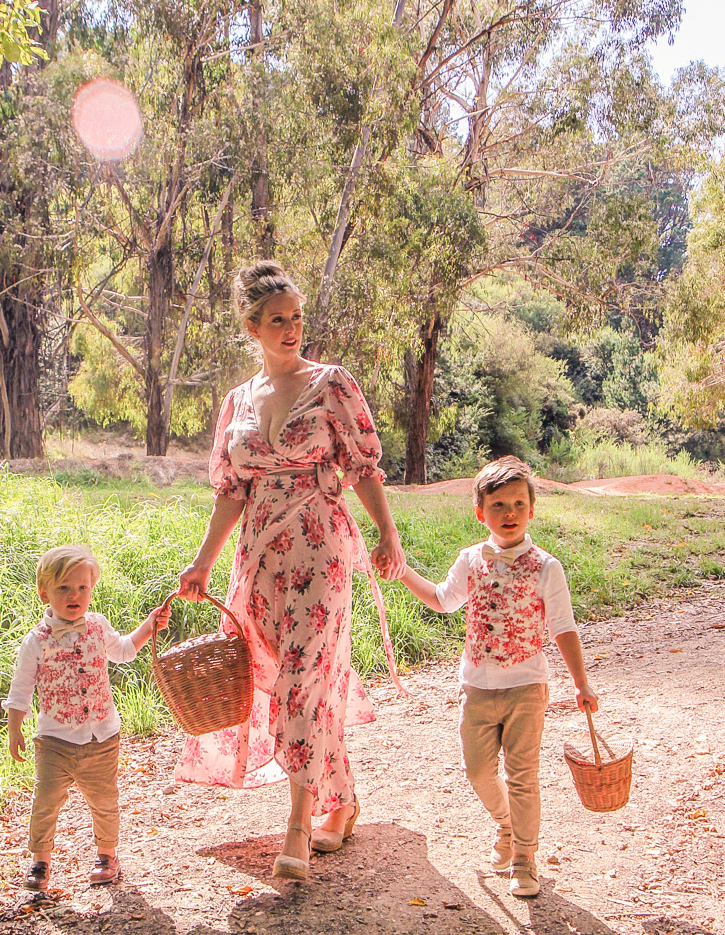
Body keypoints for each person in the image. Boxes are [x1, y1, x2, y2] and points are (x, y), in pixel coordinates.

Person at [175, 261, 407, 880]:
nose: (292, 328)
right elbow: (231, 493)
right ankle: (343, 800)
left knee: (306, 677)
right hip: (260, 555)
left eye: (298, 317)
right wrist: (203, 563)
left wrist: (387, 532)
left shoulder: (332, 385)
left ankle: (298, 826)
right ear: (252, 327)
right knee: (282, 681)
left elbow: (362, 468)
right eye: (278, 320)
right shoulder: (238, 402)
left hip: (321, 548)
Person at [399, 456, 597, 898]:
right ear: (480, 513)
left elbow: (563, 626)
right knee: (477, 771)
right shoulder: (471, 560)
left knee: (523, 774)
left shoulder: (547, 567)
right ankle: (506, 825)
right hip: (477, 687)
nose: (509, 513)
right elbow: (442, 599)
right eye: (499, 505)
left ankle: (525, 858)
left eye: (518, 504)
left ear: (531, 510)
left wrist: (581, 682)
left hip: (527, 687)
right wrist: (402, 571)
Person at [4, 543, 170, 891]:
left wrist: (149, 625)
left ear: (92, 589)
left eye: (82, 587)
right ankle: (40, 861)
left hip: (102, 736)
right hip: (54, 740)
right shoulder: (36, 641)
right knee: (46, 801)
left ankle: (107, 854)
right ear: (43, 592)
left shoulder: (97, 626)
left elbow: (123, 651)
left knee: (105, 799)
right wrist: (15, 730)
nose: (74, 595)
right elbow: (21, 689)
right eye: (63, 587)